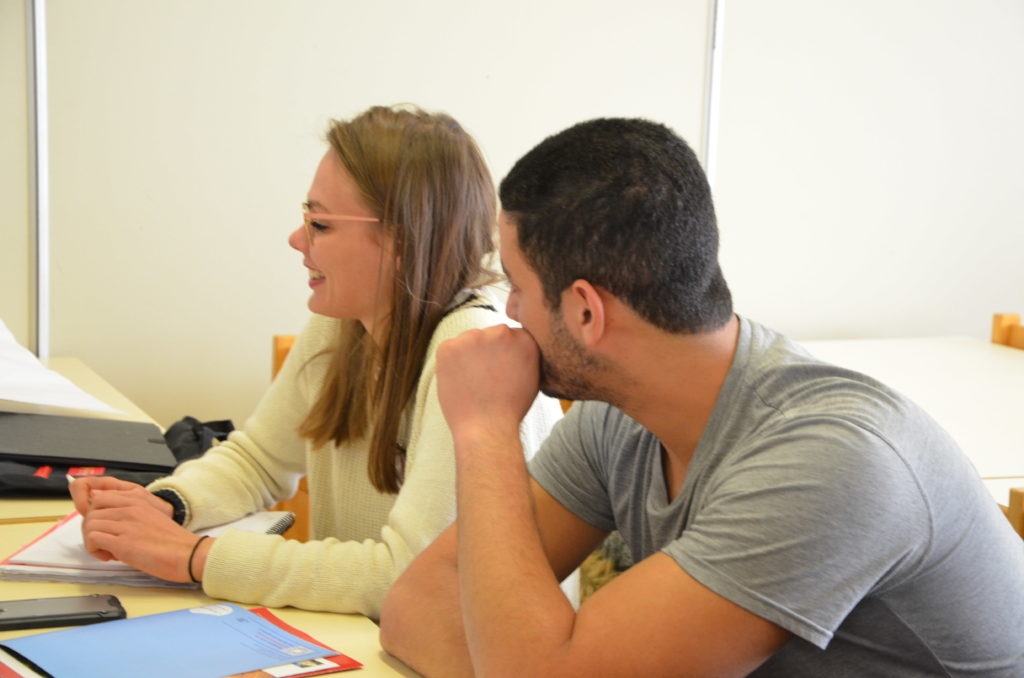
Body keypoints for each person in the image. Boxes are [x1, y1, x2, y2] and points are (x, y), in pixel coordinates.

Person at [379, 118, 1024, 676]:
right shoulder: (619, 420)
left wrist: (485, 428)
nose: (509, 315)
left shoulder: (831, 460)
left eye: (516, 288)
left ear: (585, 312)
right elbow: (419, 606)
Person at [68, 105, 563, 618]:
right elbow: (259, 460)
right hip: (376, 640)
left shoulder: (472, 354)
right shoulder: (346, 319)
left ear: (402, 240)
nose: (297, 239)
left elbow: (410, 575)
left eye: (320, 223)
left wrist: (197, 557)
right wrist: (166, 505)